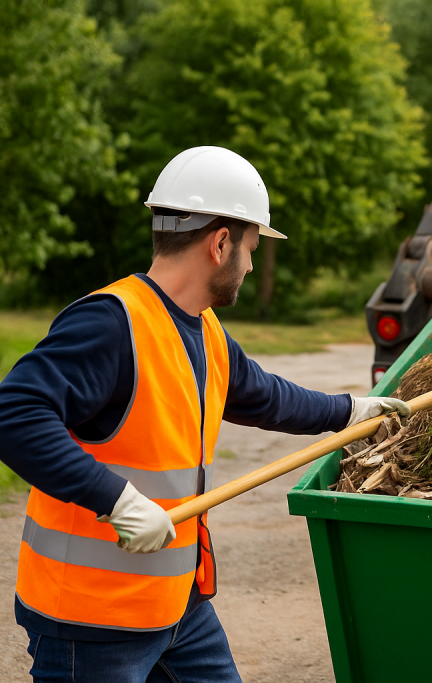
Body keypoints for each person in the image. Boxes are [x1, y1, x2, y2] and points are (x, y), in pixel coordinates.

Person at [0, 146, 409, 682]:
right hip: (93, 622)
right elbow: (14, 415)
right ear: (220, 244)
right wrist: (116, 499)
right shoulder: (111, 323)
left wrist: (350, 410)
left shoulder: (203, 328)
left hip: (178, 608)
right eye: (251, 248)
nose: (251, 263)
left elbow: (263, 395)